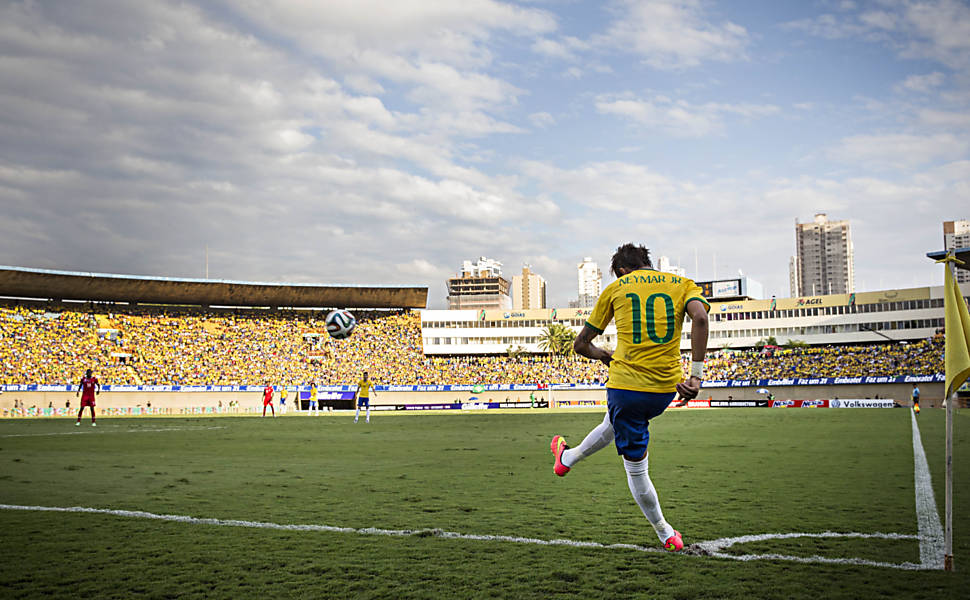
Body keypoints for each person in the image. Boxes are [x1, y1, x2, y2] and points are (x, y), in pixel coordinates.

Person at [550, 243, 709, 553]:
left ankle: (666, 534)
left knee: (636, 468)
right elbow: (700, 319)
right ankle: (565, 459)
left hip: (626, 388)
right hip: (665, 389)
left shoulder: (616, 288)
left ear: (621, 270)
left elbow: (581, 345)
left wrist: (605, 356)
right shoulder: (682, 284)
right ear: (647, 263)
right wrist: (696, 376)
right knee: (614, 425)